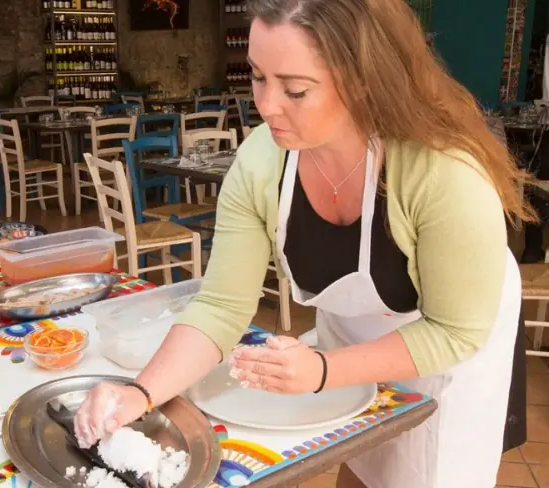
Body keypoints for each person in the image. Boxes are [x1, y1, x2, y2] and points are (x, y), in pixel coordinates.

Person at [75, 1, 531, 487]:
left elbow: (455, 330)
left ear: (363, 79)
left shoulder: (442, 172)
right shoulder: (261, 163)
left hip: (450, 344)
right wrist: (141, 392)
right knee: (362, 466)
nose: (267, 106)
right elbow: (222, 305)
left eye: (295, 89)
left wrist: (322, 370)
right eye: (257, 77)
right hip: (347, 343)